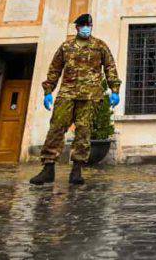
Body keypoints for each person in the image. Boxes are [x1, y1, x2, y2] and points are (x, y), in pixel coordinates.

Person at [29, 13, 120, 186]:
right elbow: (55, 69)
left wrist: (114, 89)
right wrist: (48, 90)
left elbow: (110, 67)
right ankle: (48, 169)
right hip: (67, 94)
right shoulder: (66, 47)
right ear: (77, 27)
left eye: (89, 25)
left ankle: (77, 170)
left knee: (84, 132)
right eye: (83, 25)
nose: (87, 28)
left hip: (91, 95)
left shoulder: (99, 46)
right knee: (56, 128)